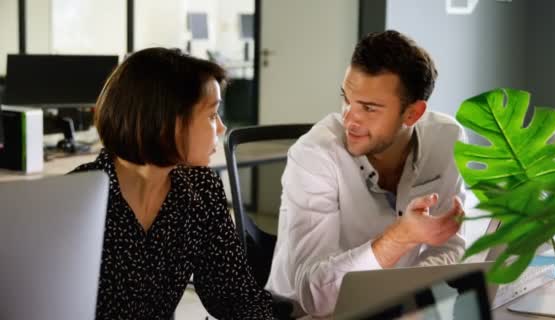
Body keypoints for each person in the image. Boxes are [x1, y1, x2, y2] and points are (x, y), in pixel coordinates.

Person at [265, 30, 466, 317]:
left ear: (412, 114)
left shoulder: (447, 139)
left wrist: (407, 296)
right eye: (346, 98)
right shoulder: (314, 154)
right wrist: (399, 238)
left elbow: (449, 247)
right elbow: (314, 296)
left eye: (368, 108)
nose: (349, 118)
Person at [72, 48, 273, 320]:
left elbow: (235, 296)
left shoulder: (201, 188)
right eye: (212, 115)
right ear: (170, 122)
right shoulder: (76, 196)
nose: (222, 128)